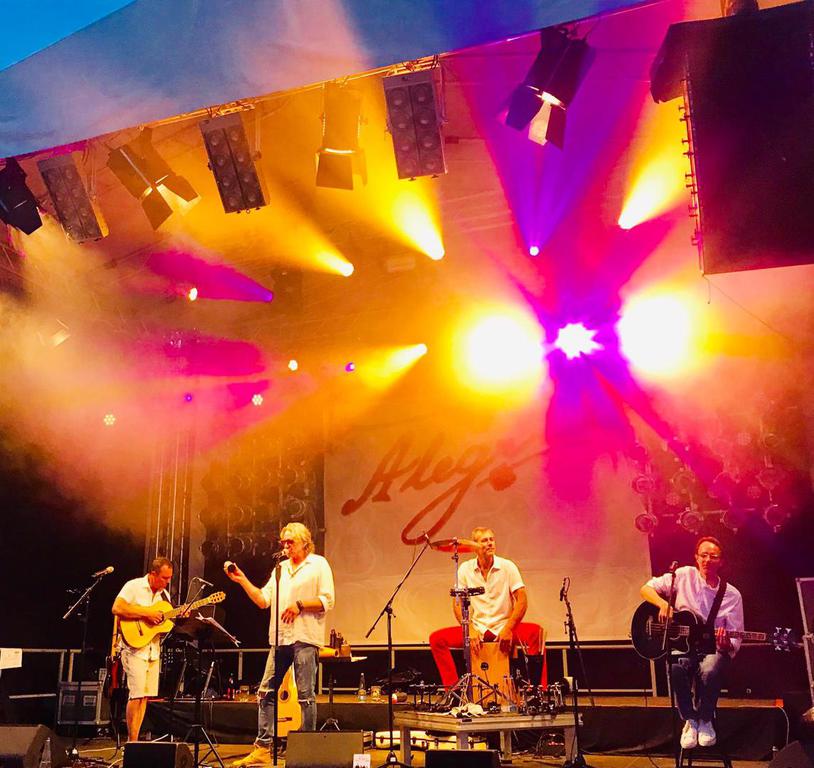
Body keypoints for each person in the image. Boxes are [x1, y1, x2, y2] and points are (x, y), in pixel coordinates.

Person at [226, 522, 335, 766]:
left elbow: (328, 600)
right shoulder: (281, 568)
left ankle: (306, 748)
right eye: (283, 542)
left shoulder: (318, 564)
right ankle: (263, 748)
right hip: (280, 638)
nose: (286, 546)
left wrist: (299, 605)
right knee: (265, 692)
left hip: (305, 637)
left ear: (305, 543)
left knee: (305, 696)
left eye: (290, 542)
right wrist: (242, 580)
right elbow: (263, 600)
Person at [640, 536, 743, 749]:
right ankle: (690, 720)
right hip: (682, 647)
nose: (707, 560)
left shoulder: (732, 595)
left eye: (713, 556)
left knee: (710, 669)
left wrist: (725, 643)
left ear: (721, 561)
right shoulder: (683, 575)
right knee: (675, 667)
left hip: (712, 649)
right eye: (703, 555)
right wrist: (663, 604)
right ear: (696, 558)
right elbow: (646, 588)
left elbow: (735, 638)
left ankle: (705, 719)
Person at [429, 527, 544, 688]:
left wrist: (509, 628)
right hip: (478, 628)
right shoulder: (465, 569)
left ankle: (539, 690)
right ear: (474, 546)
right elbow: (457, 603)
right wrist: (469, 629)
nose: (490, 543)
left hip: (504, 626)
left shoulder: (507, 566)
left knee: (536, 633)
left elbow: (522, 600)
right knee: (436, 639)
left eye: (492, 539)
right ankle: (453, 690)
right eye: (484, 540)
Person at [111, 556, 174, 743]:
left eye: (169, 578)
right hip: (134, 648)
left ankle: (135, 740)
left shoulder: (165, 596)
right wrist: (147, 613)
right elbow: (117, 608)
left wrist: (180, 618)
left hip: (152, 650)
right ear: (153, 574)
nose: (167, 582)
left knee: (144, 696)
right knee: (136, 695)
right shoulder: (134, 586)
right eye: (164, 578)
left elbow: (164, 626)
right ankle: (132, 742)